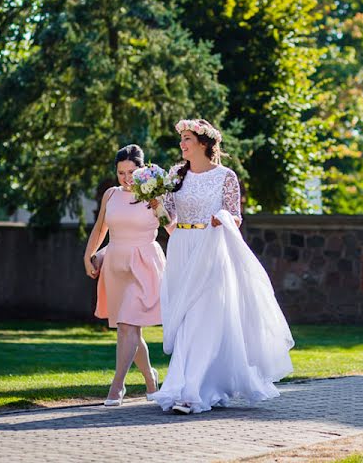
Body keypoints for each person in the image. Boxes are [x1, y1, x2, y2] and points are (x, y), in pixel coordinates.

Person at [149, 119, 294, 414]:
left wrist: (221, 219)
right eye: (182, 139)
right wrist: (156, 206)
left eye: (187, 138)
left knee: (204, 318)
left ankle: (190, 392)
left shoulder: (226, 176)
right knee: (187, 320)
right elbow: (169, 222)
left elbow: (235, 216)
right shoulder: (176, 174)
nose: (182, 144)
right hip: (182, 248)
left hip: (212, 247)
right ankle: (202, 386)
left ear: (204, 143)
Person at [83, 144, 166, 406]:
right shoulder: (111, 195)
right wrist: (89, 255)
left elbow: (173, 227)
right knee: (127, 327)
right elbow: (100, 229)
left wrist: (159, 206)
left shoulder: (155, 195)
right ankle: (151, 380)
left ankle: (117, 386)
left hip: (144, 265)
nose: (126, 178)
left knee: (128, 327)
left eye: (131, 172)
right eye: (121, 172)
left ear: (142, 170)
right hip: (115, 265)